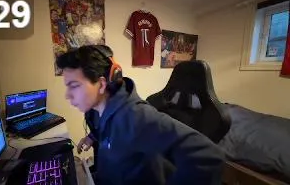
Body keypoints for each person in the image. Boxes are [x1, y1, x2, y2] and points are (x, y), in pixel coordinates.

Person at [57, 45, 222, 185]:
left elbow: (208, 157)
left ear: (101, 85)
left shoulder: (137, 118)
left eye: (74, 85)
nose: (67, 95)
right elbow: (104, 128)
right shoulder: (96, 111)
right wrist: (92, 137)